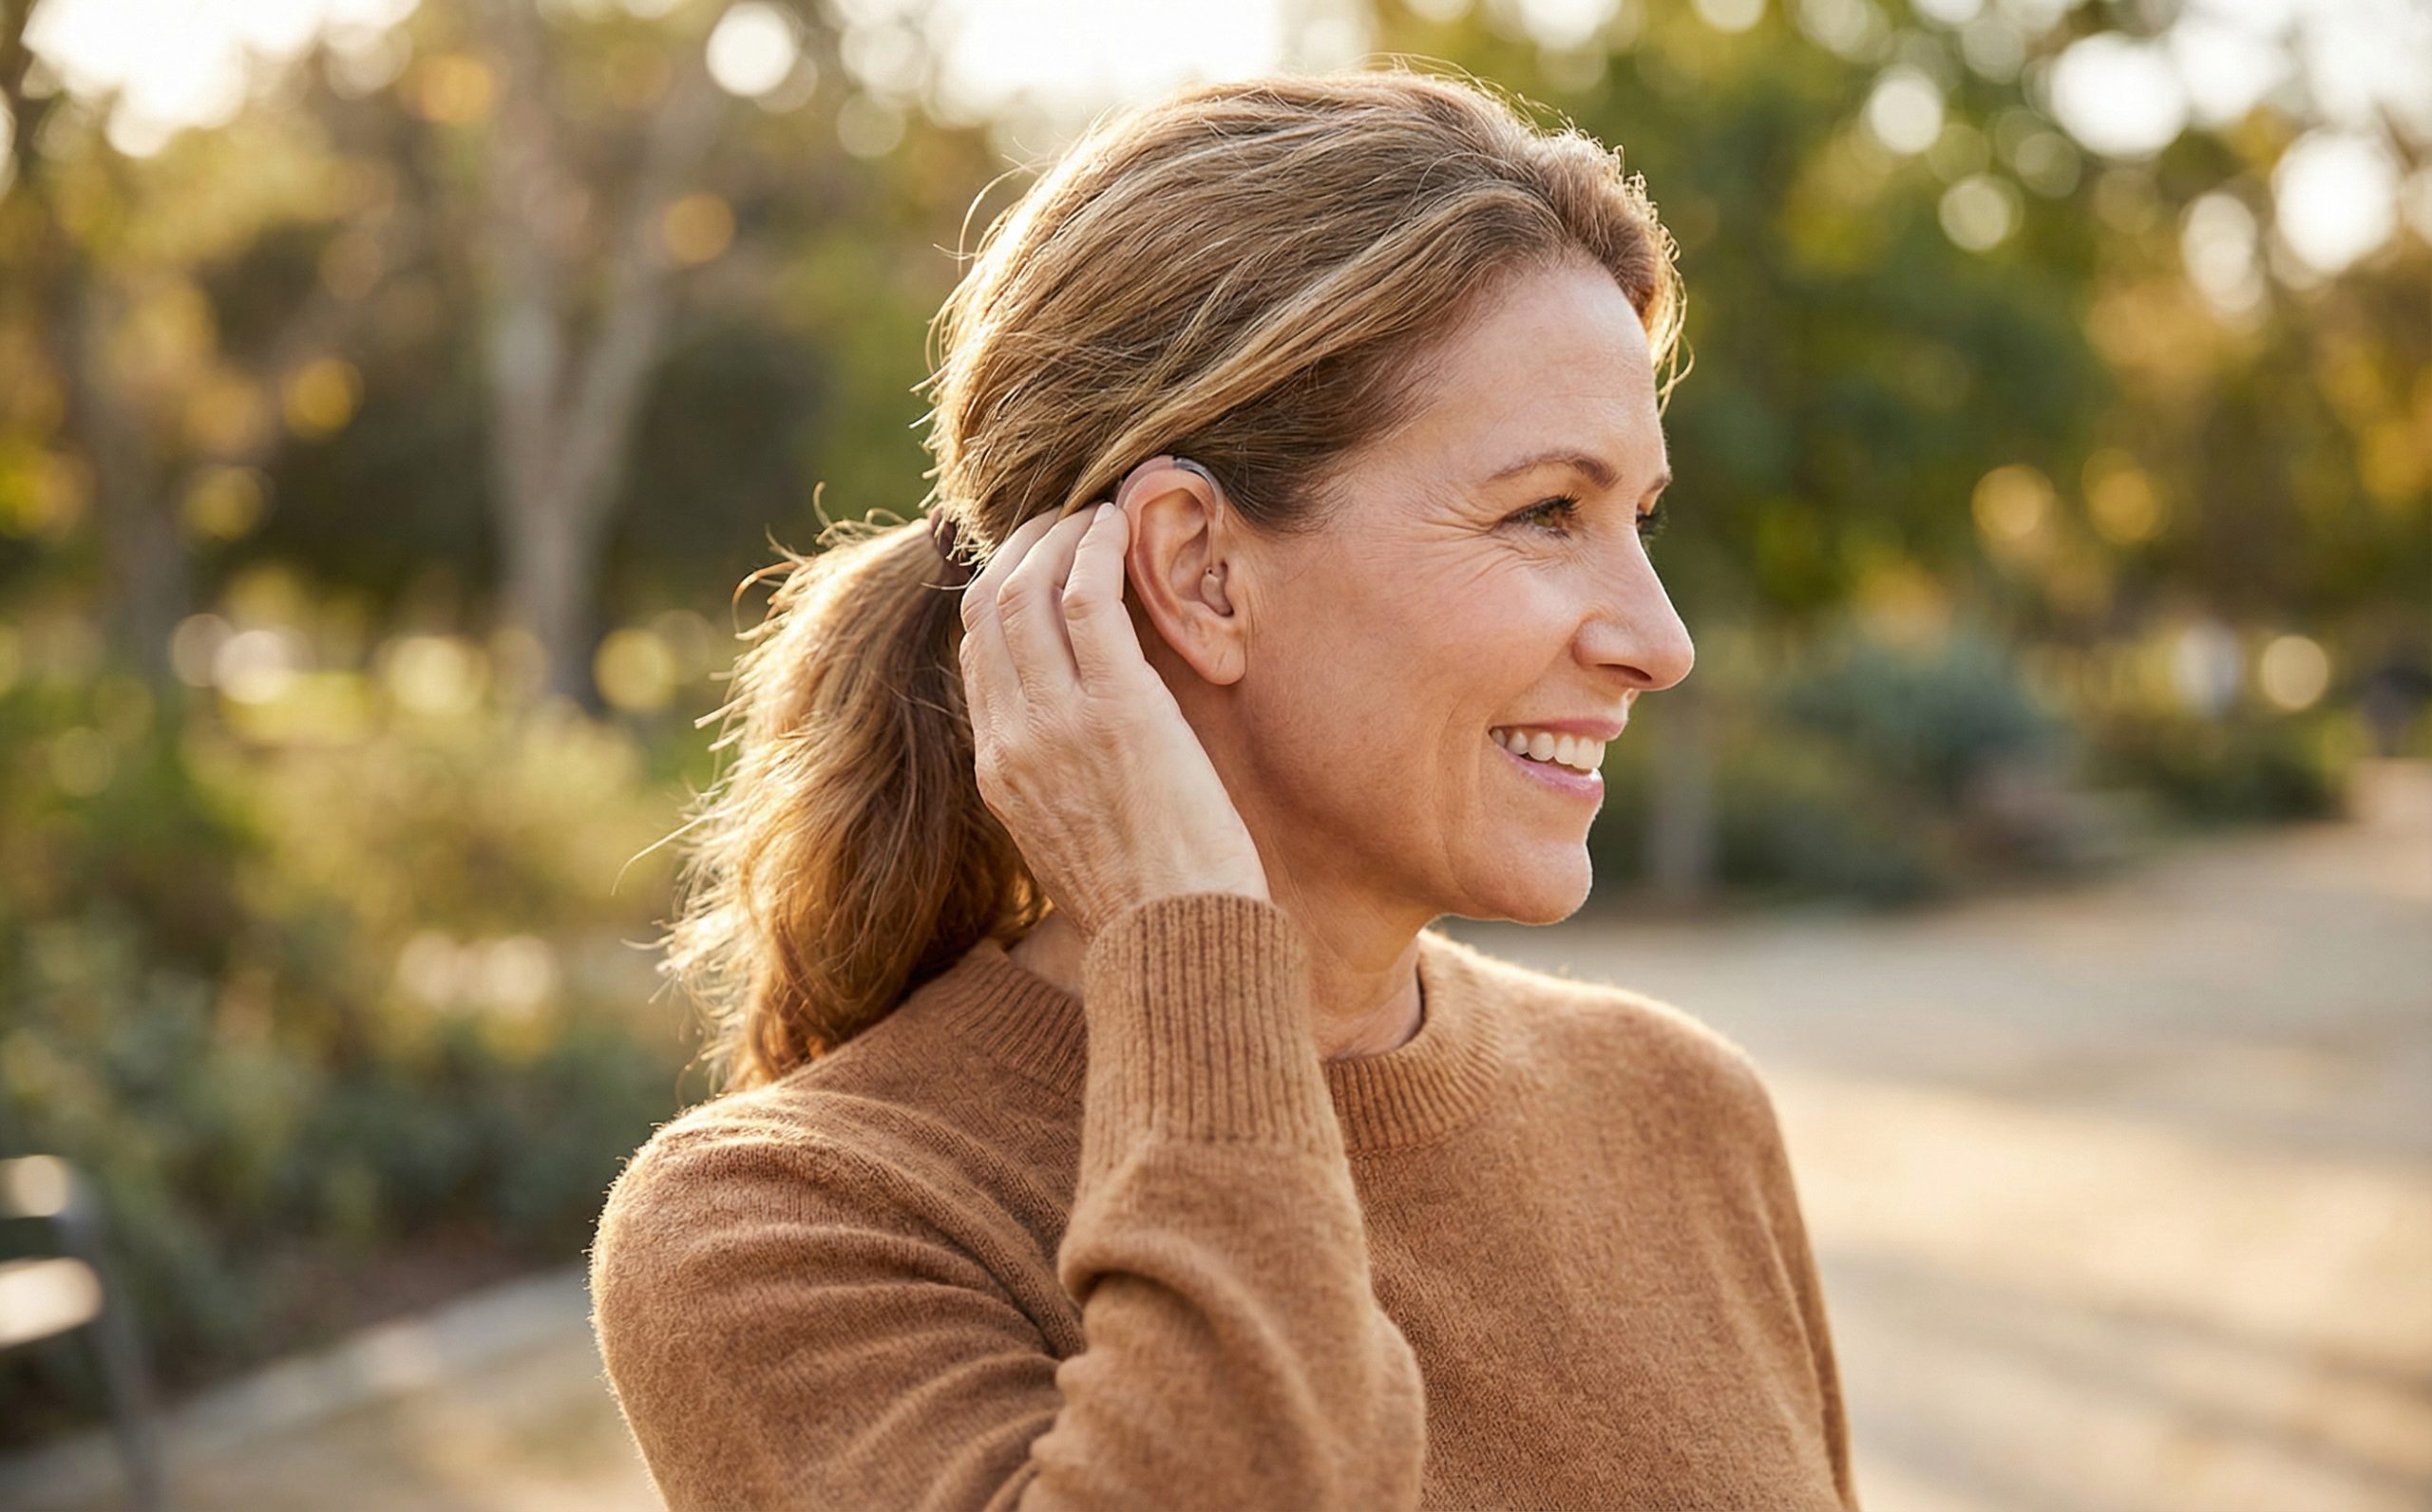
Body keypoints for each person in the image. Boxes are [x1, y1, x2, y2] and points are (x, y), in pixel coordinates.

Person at [587, 65, 1860, 1511]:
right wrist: (1189, 937)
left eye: (1639, 519)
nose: (1661, 641)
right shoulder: (790, 1225)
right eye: (1548, 513)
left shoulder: (1680, 1112)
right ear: (1198, 570)